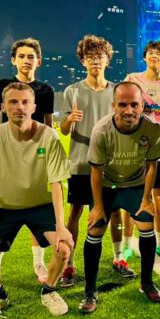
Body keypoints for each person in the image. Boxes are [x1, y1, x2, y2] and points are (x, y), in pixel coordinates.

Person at [0, 82, 73, 319]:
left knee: (64, 248)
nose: (20, 107)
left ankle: (49, 291)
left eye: (25, 102)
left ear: (34, 106)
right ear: (3, 107)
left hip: (39, 205)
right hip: (5, 207)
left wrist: (61, 225)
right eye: (13, 102)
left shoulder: (48, 135)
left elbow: (56, 184)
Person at [0, 38, 55, 291]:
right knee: (4, 207)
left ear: (38, 61)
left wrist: (46, 157)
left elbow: (49, 126)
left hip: (36, 158)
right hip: (7, 157)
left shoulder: (46, 90)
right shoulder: (2, 86)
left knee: (36, 206)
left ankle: (39, 263)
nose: (26, 60)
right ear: (14, 60)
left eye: (31, 56)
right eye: (21, 56)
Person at [80, 82, 160, 314]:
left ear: (142, 105)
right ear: (113, 106)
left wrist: (146, 198)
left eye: (134, 104)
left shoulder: (152, 129)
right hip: (107, 186)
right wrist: (98, 207)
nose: (129, 110)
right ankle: (89, 290)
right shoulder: (101, 130)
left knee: (147, 222)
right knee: (95, 228)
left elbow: (151, 166)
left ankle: (146, 283)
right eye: (123, 105)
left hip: (135, 185)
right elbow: (95, 171)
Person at [58, 35, 130, 287]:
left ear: (107, 60)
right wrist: (70, 120)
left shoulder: (116, 91)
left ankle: (119, 258)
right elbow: (64, 130)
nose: (95, 61)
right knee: (75, 212)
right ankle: (68, 263)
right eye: (90, 57)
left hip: (111, 164)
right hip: (80, 162)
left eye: (99, 56)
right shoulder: (72, 91)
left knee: (115, 211)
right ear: (83, 61)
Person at [122, 40, 160, 261]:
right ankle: (128, 244)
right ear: (144, 57)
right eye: (151, 53)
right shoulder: (132, 80)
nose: (154, 56)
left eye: (159, 54)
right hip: (134, 149)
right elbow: (120, 108)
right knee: (131, 196)